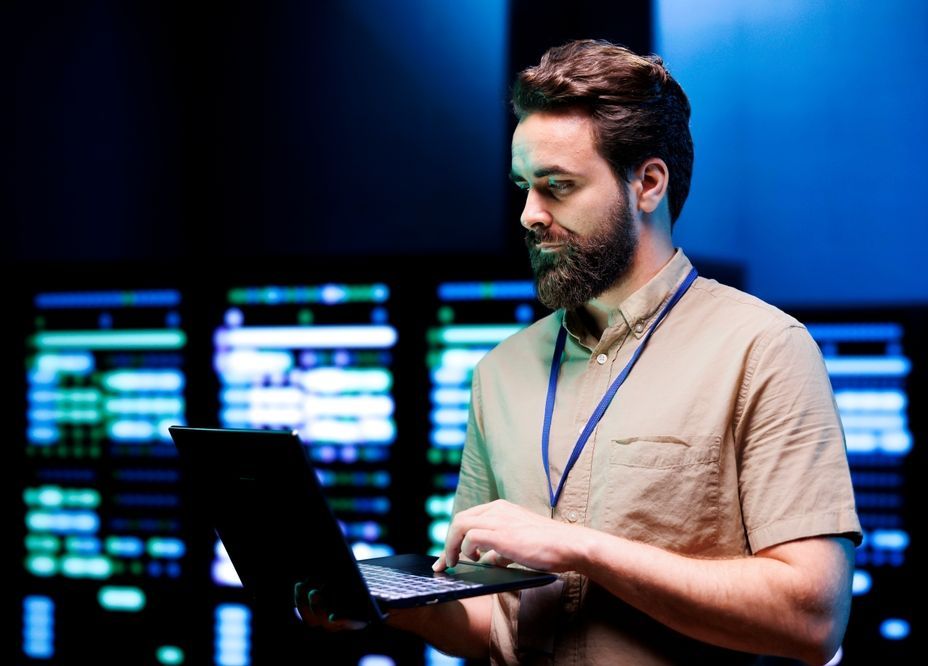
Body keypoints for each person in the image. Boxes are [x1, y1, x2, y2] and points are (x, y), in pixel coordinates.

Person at [297, 39, 861, 665]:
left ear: (648, 184)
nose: (529, 216)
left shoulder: (764, 351)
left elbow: (812, 618)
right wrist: (381, 604)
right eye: (523, 187)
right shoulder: (501, 371)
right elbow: (496, 624)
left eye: (556, 187)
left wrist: (577, 548)